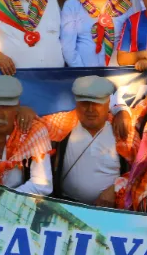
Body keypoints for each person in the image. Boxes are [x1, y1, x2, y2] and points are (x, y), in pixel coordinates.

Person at [41, 77, 136, 205]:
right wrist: (24, 112)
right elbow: (32, 126)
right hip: (68, 206)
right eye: (85, 103)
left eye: (97, 103)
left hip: (112, 211)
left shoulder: (123, 130)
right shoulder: (63, 123)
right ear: (77, 104)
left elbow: (142, 171)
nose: (90, 109)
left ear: (108, 103)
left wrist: (116, 189)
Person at [0, 75, 53, 195]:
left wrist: (4, 198)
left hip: (21, 204)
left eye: (6, 107)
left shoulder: (34, 132)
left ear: (17, 108)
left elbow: (43, 185)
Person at [60, 0, 132, 67]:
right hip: (83, 76)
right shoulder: (72, 6)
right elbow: (68, 48)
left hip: (119, 76)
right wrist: (84, 74)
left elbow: (131, 45)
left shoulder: (125, 7)